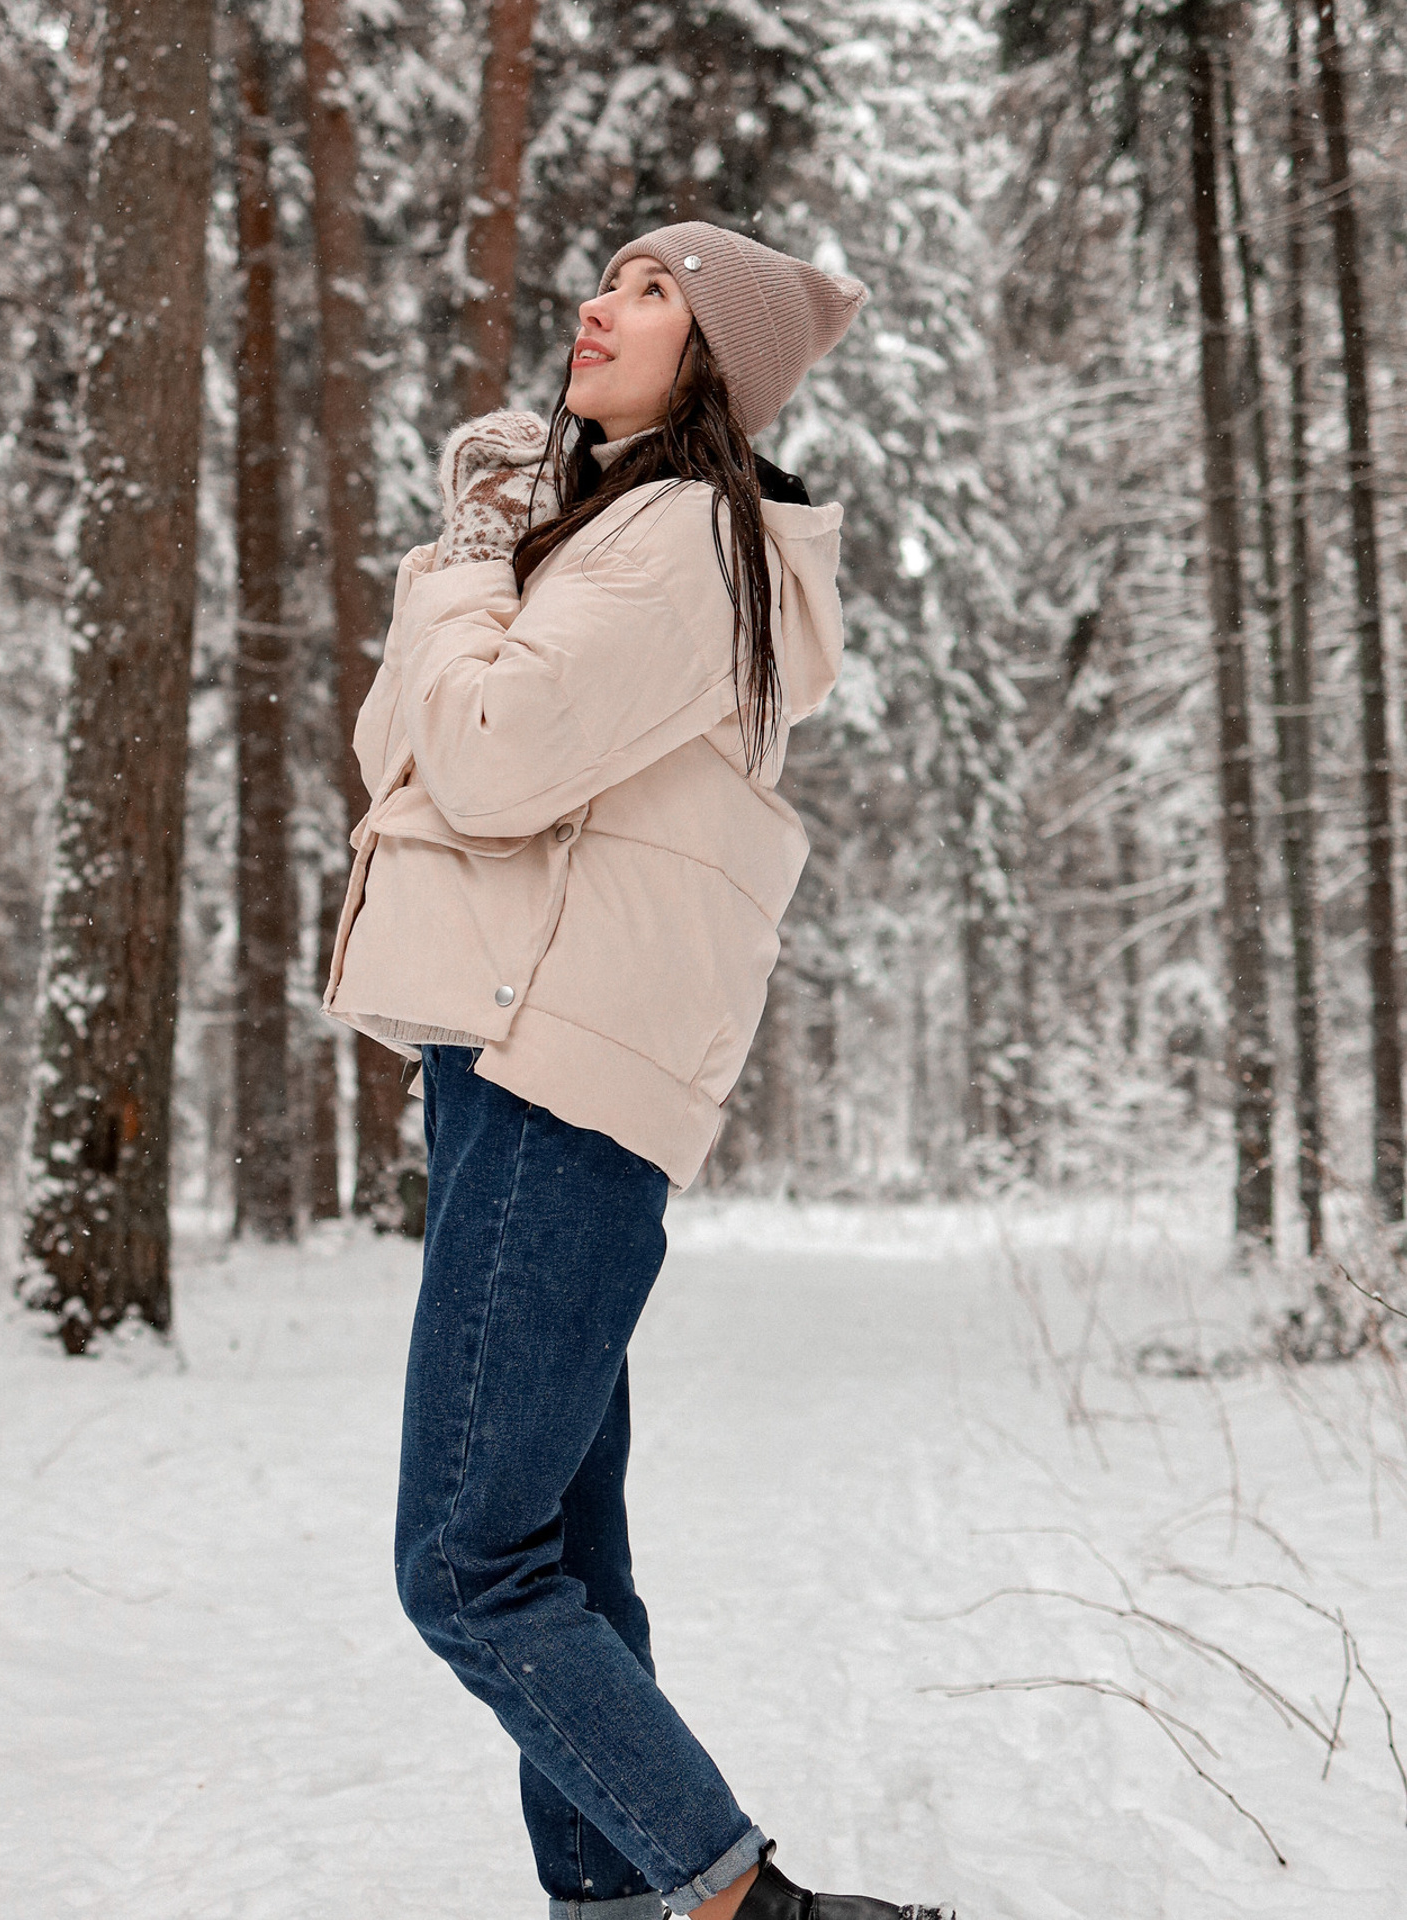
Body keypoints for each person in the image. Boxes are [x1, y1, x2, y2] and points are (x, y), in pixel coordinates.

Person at [322, 221, 952, 1920]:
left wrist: (461, 563)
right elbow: (406, 753)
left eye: (651, 290)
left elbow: (482, 754)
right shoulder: (603, 539)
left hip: (555, 1068)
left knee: (466, 1558)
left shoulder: (688, 534)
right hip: (512, 1055)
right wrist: (489, 569)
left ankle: (729, 1898)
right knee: (558, 1554)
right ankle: (623, 1900)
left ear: (718, 362)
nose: (596, 303)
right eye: (597, 277)